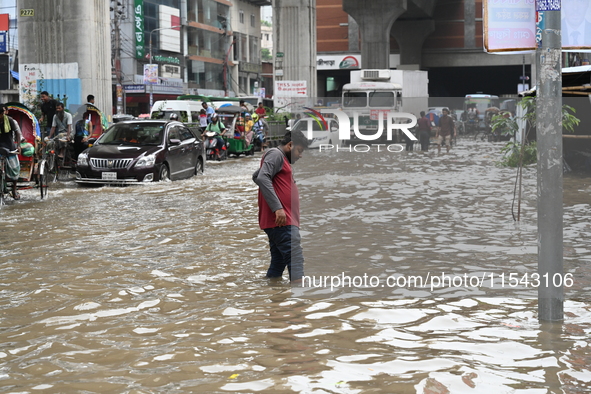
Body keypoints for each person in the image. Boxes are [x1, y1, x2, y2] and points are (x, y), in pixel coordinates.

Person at [252, 130, 309, 283]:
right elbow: (263, 177)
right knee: (295, 260)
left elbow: (256, 176)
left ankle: (275, 300)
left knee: (278, 265)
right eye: (299, 150)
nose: (300, 155)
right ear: (290, 145)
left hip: (280, 222)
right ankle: (299, 302)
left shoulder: (278, 157)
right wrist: (278, 208)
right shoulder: (276, 154)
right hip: (282, 221)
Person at [0, 104, 23, 200]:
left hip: (9, 145)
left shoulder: (9, 120)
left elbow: (17, 133)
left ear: (2, 114)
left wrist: (18, 145)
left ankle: (14, 189)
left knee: (14, 169)